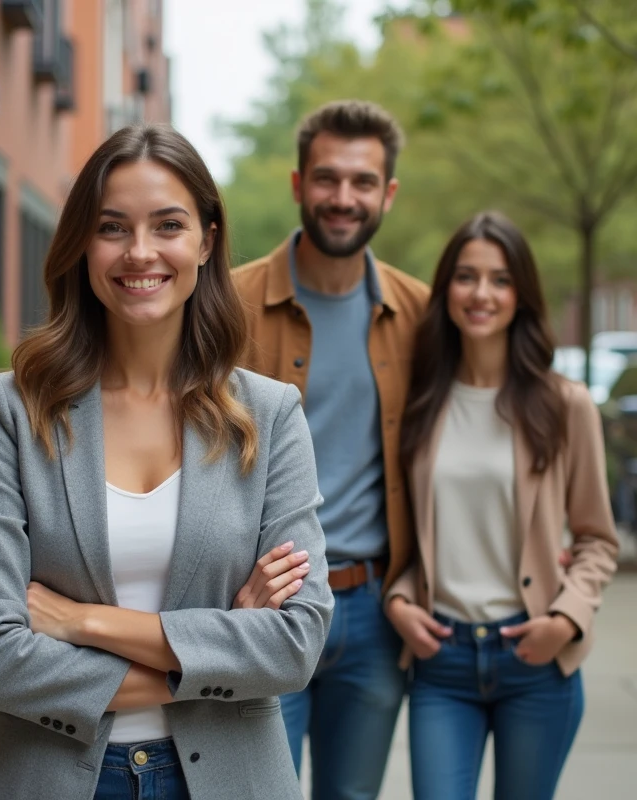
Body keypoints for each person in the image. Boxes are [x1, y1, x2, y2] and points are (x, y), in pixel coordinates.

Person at [0, 123, 334, 800]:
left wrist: (84, 622)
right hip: (47, 776)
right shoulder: (13, 410)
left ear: (206, 242)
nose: (139, 252)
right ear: (82, 243)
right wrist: (223, 650)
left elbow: (294, 644)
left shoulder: (270, 416)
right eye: (112, 227)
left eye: (168, 225)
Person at [384, 211, 619, 800]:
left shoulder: (565, 405)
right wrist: (400, 598)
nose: (481, 294)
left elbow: (596, 538)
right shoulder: (421, 403)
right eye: (466, 277)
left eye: (500, 280)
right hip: (442, 661)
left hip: (534, 660)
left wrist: (566, 620)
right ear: (446, 290)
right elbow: (412, 535)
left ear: (522, 295)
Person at [232, 99, 429, 799]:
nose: (343, 197)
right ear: (298, 184)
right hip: (262, 606)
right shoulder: (227, 305)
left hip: (373, 611)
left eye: (362, 181)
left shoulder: (420, 313)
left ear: (388, 193)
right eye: (326, 178)